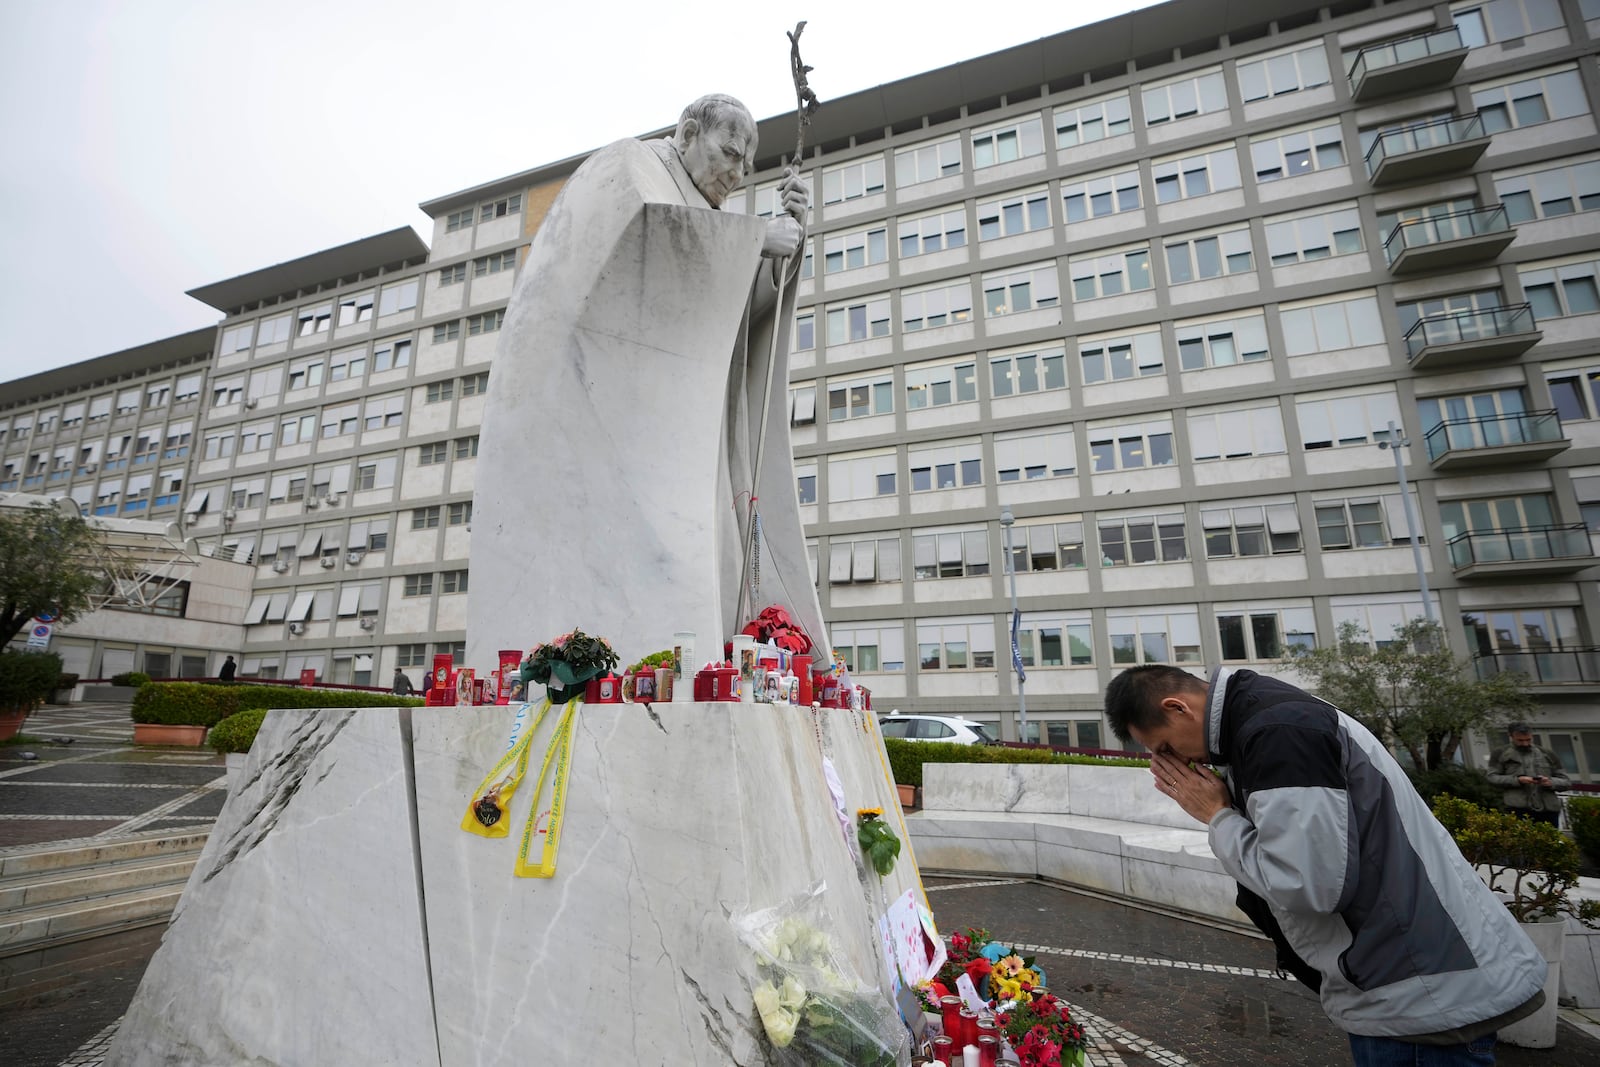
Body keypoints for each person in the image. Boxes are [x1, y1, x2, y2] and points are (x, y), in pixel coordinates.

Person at [464, 93, 827, 669]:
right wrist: (756, 239)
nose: (736, 174)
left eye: (746, 166)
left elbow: (721, 323)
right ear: (686, 133)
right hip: (589, 426)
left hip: (669, 439)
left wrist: (786, 247)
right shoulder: (630, 168)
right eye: (728, 154)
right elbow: (644, 242)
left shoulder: (702, 208)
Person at [1104, 664, 1546, 1066]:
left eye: (1164, 747)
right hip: (1415, 982)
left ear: (1177, 708)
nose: (1173, 762)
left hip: (1413, 993)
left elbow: (1306, 885)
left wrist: (1217, 816)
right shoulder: (1266, 718)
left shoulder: (1277, 733)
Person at [1488, 722, 1570, 826]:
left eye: (1528, 740)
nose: (1525, 744)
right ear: (1511, 736)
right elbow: (1491, 777)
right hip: (1517, 809)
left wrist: (1550, 782)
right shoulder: (1500, 753)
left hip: (1548, 810)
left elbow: (1566, 781)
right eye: (1520, 740)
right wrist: (1517, 780)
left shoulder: (1547, 753)